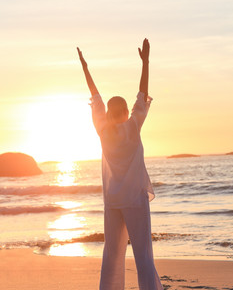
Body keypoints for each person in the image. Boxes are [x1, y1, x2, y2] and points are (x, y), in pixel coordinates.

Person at [77, 38, 163, 290]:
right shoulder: (134, 126)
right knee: (143, 256)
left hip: (113, 202)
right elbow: (142, 93)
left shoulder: (102, 129)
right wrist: (145, 62)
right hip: (135, 200)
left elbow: (95, 96)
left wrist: (85, 68)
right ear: (125, 112)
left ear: (109, 113)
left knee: (112, 255)